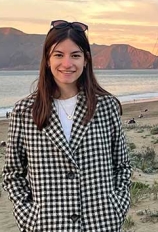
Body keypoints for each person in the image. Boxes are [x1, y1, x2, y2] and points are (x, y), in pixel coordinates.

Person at [2, 20, 132, 232]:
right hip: (47, 226)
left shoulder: (106, 107)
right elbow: (13, 174)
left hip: (100, 224)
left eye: (75, 55)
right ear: (47, 60)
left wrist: (117, 206)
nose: (67, 63)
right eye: (58, 55)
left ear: (86, 60)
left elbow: (122, 166)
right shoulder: (25, 111)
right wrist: (28, 216)